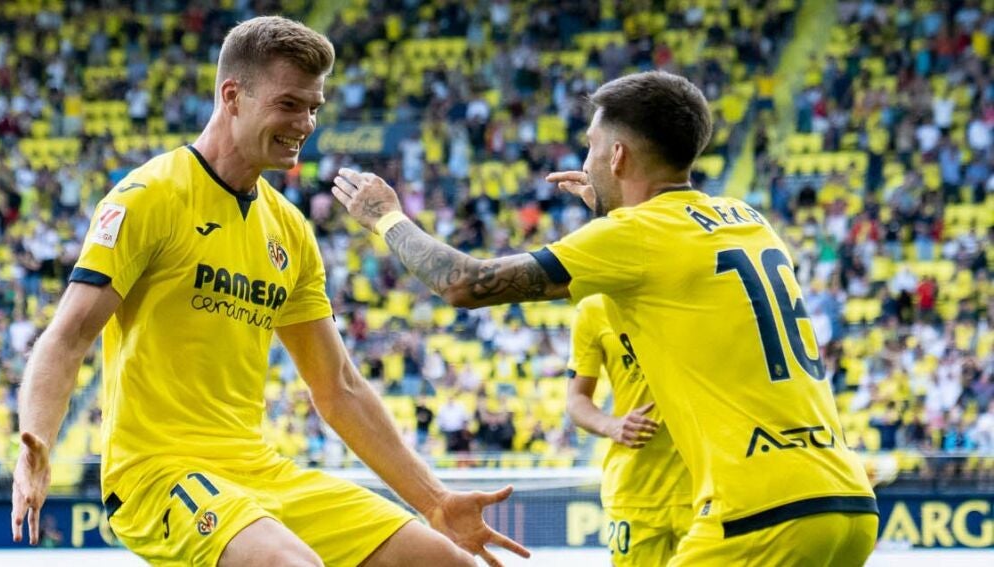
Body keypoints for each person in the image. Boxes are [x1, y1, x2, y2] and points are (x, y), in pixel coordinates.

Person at [11, 16, 528, 567]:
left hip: (256, 473)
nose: (305, 123)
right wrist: (36, 441)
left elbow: (339, 388)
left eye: (314, 108)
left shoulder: (289, 229)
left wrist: (437, 501)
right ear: (232, 96)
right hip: (156, 473)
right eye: (288, 104)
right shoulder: (149, 197)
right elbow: (67, 338)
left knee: (442, 560)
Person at [333, 70, 879, 565]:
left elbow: (464, 284)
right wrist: (612, 206)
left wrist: (387, 220)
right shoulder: (746, 217)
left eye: (592, 147)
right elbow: (666, 263)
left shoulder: (635, 236)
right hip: (846, 503)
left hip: (758, 513)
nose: (587, 160)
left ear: (617, 156)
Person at [566, 294, 691, 565]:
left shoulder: (692, 294)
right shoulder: (592, 308)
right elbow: (576, 400)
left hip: (702, 488)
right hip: (635, 491)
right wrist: (612, 425)